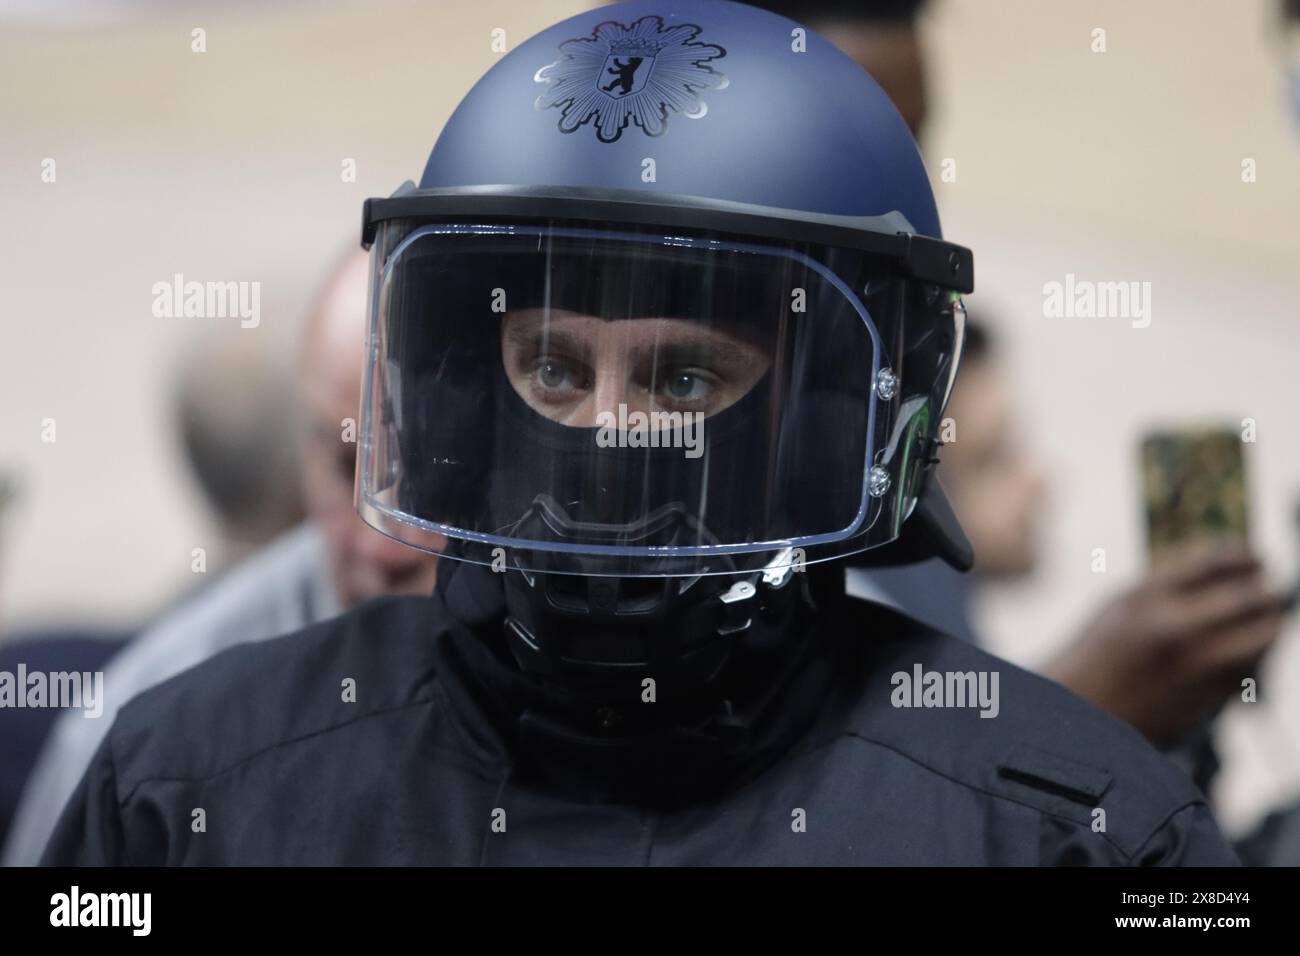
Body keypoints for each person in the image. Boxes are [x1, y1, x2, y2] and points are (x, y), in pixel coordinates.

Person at [42, 0, 1235, 865]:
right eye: (552, 364)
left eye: (680, 374)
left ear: (845, 409)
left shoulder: (1094, 837)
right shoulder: (189, 782)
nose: (605, 435)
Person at [4, 250, 440, 866]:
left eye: (427, 473)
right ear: (296, 464)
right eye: (343, 466)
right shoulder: (143, 752)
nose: (379, 542)